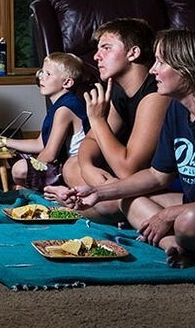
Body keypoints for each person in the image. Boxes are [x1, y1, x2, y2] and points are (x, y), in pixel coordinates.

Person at [58, 28, 195, 268]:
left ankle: (191, 241)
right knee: (129, 199)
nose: (153, 70)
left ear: (188, 68)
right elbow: (157, 176)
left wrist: (167, 215)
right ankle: (173, 245)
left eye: (161, 62)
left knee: (190, 221)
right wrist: (99, 192)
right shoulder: (178, 109)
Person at [44, 18, 169, 221]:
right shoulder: (119, 92)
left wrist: (97, 119)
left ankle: (101, 206)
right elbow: (91, 141)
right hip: (118, 175)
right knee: (71, 165)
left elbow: (129, 169)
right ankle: (105, 204)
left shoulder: (155, 95)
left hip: (149, 179)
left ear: (133, 53)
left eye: (106, 48)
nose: (96, 56)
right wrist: (88, 168)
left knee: (107, 199)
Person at [0, 52, 89, 190]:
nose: (41, 77)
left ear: (67, 82)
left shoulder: (65, 109)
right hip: (62, 161)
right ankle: (29, 187)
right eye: (41, 72)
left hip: (74, 166)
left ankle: (35, 190)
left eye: (48, 74)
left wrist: (32, 170)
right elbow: (40, 144)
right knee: (16, 159)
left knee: (19, 169)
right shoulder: (59, 105)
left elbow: (49, 154)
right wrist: (2, 141)